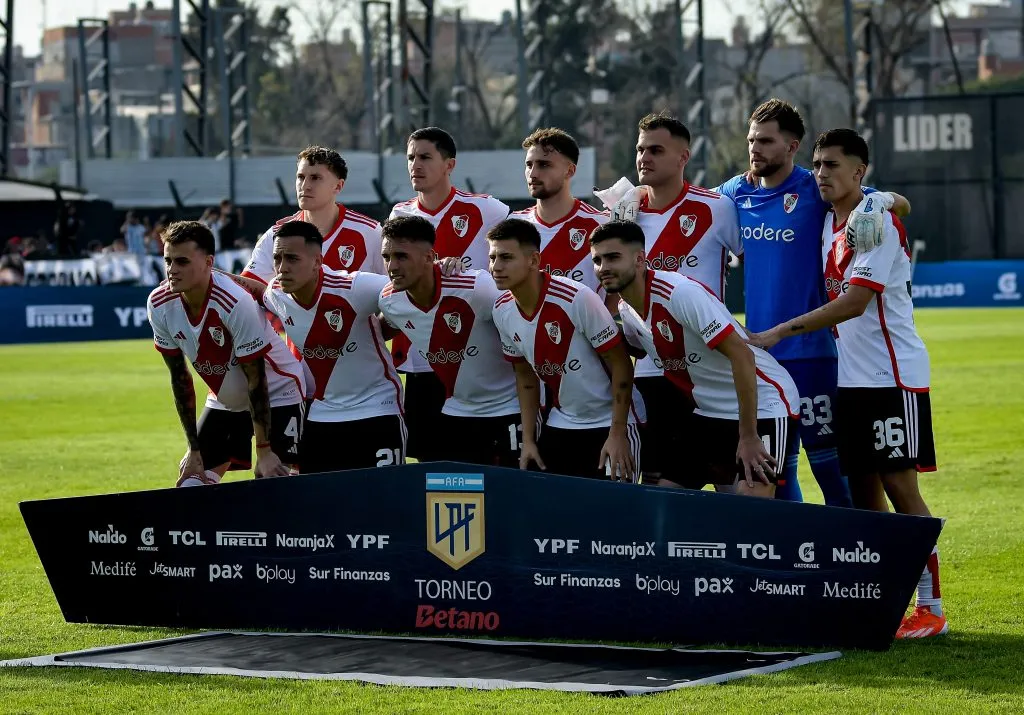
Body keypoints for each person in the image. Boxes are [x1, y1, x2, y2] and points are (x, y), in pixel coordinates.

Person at [748, 129, 946, 638]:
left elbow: (855, 302)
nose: (821, 174)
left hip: (893, 377)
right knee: (863, 493)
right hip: (852, 379)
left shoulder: (874, 220)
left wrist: (778, 331)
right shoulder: (831, 222)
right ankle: (880, 600)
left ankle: (933, 609)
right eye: (816, 164)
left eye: (832, 165)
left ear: (859, 171)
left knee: (901, 488)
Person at [714, 99, 911, 508]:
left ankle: (850, 556)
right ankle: (794, 557)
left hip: (815, 355)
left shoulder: (815, 187)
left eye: (766, 141)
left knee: (830, 467)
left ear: (792, 146)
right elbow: (692, 203)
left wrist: (883, 202)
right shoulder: (737, 192)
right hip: (761, 357)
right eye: (752, 140)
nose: (755, 149)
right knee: (778, 469)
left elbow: (898, 203)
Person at [591, 220, 799, 497]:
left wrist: (748, 436)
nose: (603, 267)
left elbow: (743, 357)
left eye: (613, 257)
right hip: (706, 412)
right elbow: (638, 348)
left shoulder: (679, 293)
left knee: (751, 509)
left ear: (640, 259)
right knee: (665, 503)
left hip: (764, 405)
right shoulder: (626, 308)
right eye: (597, 260)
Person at [608, 113, 743, 489]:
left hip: (710, 369)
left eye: (655, 150)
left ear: (683, 156)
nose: (643, 158)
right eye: (639, 149)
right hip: (652, 371)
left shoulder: (717, 208)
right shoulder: (623, 214)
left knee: (730, 483)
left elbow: (758, 264)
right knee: (658, 488)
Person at [232, 220, 405, 473]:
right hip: (321, 416)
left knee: (383, 503)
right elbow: (258, 292)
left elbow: (406, 288)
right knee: (319, 506)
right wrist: (207, 275)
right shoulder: (277, 294)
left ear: (317, 261)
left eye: (292, 259)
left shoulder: (355, 287)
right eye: (277, 259)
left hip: (377, 410)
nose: (282, 268)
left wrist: (443, 268)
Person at [147, 221, 305, 486]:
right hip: (225, 400)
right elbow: (180, 379)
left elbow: (257, 381)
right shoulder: (159, 303)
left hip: (278, 392)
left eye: (182, 262)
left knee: (272, 483)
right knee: (191, 484)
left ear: (209, 262)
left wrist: (264, 451)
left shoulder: (233, 301)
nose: (172, 270)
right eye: (168, 261)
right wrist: (194, 449)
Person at [387, 127, 511, 461]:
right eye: (411, 157)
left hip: (477, 362)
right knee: (432, 470)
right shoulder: (400, 215)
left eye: (425, 157)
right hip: (422, 363)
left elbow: (511, 268)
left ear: (449, 164)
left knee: (485, 467)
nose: (416, 165)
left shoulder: (490, 211)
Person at [487, 218, 641, 481]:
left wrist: (617, 435)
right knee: (552, 515)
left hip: (609, 423)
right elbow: (525, 379)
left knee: (614, 515)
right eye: (492, 258)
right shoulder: (501, 309)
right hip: (560, 422)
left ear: (533, 261)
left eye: (506, 257)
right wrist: (529, 441)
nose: (496, 267)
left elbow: (621, 364)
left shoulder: (575, 298)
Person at [377, 216, 523, 467]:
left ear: (428, 257)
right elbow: (379, 331)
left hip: (508, 408)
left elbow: (524, 335)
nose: (391, 266)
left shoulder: (476, 288)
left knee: (513, 495)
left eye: (401, 256)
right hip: (456, 410)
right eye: (386, 257)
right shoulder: (390, 301)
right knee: (454, 493)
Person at [242, 146, 384, 285]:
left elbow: (392, 291)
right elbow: (247, 290)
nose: (305, 186)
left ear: (338, 186)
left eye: (315, 178)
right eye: (301, 177)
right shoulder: (276, 235)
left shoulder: (369, 233)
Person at [510, 128, 608, 293]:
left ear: (569, 171)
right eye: (529, 165)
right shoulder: (513, 226)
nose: (532, 174)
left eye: (544, 164)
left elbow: (617, 294)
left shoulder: (601, 225)